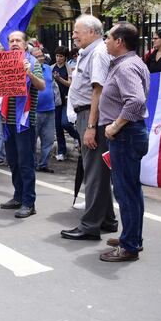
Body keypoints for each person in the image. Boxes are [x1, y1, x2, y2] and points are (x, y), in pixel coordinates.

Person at [60, 15, 118, 241]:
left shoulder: (98, 53)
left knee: (93, 173)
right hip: (86, 114)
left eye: (77, 31)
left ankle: (90, 225)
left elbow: (98, 91)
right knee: (98, 171)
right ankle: (106, 219)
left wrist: (91, 126)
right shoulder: (90, 52)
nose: (73, 35)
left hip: (93, 116)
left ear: (93, 32)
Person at [99, 22, 150, 262]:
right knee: (131, 190)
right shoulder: (127, 63)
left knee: (125, 191)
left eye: (108, 37)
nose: (105, 41)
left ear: (120, 41)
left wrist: (116, 125)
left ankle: (129, 246)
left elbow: (136, 101)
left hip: (126, 135)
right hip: (128, 135)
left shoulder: (126, 67)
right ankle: (131, 237)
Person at [0, 32, 45, 218]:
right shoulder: (3, 63)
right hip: (7, 121)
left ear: (26, 45)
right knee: (13, 161)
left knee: (25, 163)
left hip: (25, 122)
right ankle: (18, 196)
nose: (15, 43)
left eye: (18, 40)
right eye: (11, 41)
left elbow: (42, 86)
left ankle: (29, 202)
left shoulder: (33, 63)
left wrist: (29, 75)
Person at [52, 46, 80, 160]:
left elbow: (70, 84)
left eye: (61, 56)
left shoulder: (69, 68)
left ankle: (78, 137)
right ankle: (62, 152)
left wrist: (59, 79)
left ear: (65, 57)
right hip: (56, 101)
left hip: (67, 100)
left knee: (65, 123)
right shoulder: (51, 68)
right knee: (58, 128)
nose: (59, 58)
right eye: (57, 56)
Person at [34, 47, 56, 173]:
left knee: (48, 139)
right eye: (37, 56)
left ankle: (43, 164)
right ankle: (32, 163)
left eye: (41, 55)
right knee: (32, 139)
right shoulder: (30, 69)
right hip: (35, 110)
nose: (41, 58)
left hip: (50, 109)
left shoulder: (48, 69)